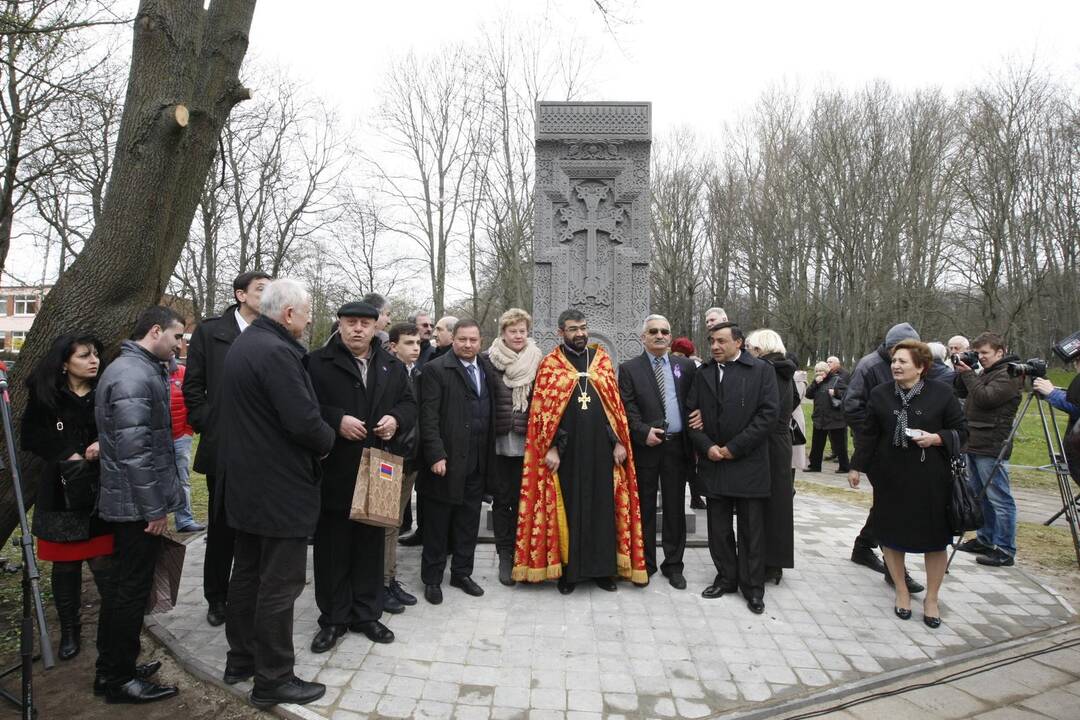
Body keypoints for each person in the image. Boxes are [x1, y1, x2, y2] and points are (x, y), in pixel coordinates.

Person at [218, 279, 336, 709]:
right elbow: (304, 422)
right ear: (288, 314)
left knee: (247, 574)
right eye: (306, 313)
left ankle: (241, 659)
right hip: (279, 488)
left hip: (248, 485)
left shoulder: (246, 345)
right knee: (279, 584)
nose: (308, 320)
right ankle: (273, 678)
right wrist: (328, 441)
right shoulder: (278, 352)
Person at [305, 302, 417, 653]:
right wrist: (336, 419)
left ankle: (367, 613)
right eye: (351, 322)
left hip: (379, 466)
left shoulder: (391, 365)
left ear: (375, 327)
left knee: (370, 544)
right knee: (333, 546)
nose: (357, 329)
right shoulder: (316, 362)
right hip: (335, 467)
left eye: (364, 324)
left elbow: (410, 404)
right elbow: (304, 406)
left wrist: (396, 419)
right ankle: (334, 618)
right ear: (339, 324)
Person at [513, 309, 648, 593]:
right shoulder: (551, 364)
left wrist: (619, 442)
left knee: (602, 507)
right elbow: (544, 414)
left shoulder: (601, 361)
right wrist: (551, 447)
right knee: (569, 509)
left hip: (601, 450)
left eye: (583, 328)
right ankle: (569, 573)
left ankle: (602, 571)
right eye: (573, 329)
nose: (580, 333)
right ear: (561, 333)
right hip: (566, 453)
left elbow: (614, 409)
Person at [96, 306, 186, 703]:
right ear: (155, 331)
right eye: (177, 336)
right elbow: (135, 451)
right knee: (129, 591)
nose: (180, 344)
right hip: (134, 505)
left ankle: (117, 664)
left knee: (125, 588)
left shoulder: (139, 368)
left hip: (132, 500)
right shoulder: (133, 374)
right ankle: (117, 679)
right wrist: (153, 508)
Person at [848, 339, 967, 628]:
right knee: (891, 536)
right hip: (890, 477)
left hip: (931, 479)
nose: (896, 366)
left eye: (903, 361)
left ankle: (932, 598)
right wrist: (856, 466)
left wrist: (937, 438)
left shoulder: (941, 393)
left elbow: (962, 431)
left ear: (921, 367)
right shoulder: (880, 394)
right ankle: (901, 590)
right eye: (894, 361)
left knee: (934, 541)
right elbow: (868, 434)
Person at [183, 269, 271, 627]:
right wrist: (212, 422)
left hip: (264, 449)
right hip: (224, 445)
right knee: (221, 528)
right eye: (260, 289)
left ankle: (249, 593)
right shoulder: (210, 332)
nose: (267, 296)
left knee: (257, 526)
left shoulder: (272, 330)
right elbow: (193, 387)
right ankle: (216, 597)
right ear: (240, 295)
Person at [22, 335, 113, 663]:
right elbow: (31, 436)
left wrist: (104, 443)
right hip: (60, 490)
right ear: (64, 362)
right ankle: (70, 631)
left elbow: (123, 427)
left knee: (106, 564)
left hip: (100, 489)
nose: (94, 360)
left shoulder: (105, 390)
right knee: (65, 566)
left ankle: (115, 631)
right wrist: (67, 454)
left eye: (96, 354)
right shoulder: (47, 395)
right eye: (84, 356)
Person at [843, 322, 943, 595]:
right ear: (890, 349)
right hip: (877, 447)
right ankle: (893, 570)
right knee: (891, 504)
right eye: (898, 353)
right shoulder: (869, 366)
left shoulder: (913, 368)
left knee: (889, 503)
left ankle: (864, 546)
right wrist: (878, 432)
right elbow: (852, 406)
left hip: (908, 449)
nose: (900, 361)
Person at [686, 321, 778, 614]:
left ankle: (753, 588)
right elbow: (692, 413)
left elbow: (768, 415)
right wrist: (707, 445)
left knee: (751, 528)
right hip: (714, 461)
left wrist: (733, 448)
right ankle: (726, 577)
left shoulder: (762, 371)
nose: (714, 346)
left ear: (738, 343)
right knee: (718, 527)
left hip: (748, 462)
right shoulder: (703, 374)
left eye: (721, 341)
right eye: (712, 341)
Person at [417, 319, 496, 604]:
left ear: (481, 341)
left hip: (476, 461)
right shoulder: (436, 369)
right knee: (438, 524)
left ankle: (462, 572)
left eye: (473, 340)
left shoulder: (485, 368)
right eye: (462, 339)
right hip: (446, 462)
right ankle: (432, 578)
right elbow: (428, 417)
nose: (467, 345)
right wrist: (436, 454)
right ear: (453, 339)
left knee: (467, 521)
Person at [618, 314, 696, 588]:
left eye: (665, 331)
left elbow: (694, 402)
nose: (660, 335)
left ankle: (673, 565)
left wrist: (698, 419)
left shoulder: (685, 366)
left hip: (677, 448)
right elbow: (626, 407)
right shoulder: (629, 368)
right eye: (653, 331)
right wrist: (642, 432)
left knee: (675, 508)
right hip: (647, 449)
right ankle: (646, 563)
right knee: (646, 508)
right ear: (644, 337)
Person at [953, 332, 1023, 567]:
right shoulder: (987, 372)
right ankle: (985, 539)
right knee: (979, 496)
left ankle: (1005, 549)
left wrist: (969, 375)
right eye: (978, 353)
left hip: (993, 444)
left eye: (985, 353)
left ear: (999, 352)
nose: (980, 357)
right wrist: (962, 372)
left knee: (1000, 499)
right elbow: (963, 393)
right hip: (975, 440)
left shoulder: (1009, 374)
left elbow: (985, 398)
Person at [484, 308, 543, 586]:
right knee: (503, 500)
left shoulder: (538, 360)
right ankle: (505, 554)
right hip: (498, 443)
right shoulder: (489, 361)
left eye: (522, 330)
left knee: (526, 502)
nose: (518, 335)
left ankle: (525, 554)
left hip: (528, 444)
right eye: (512, 331)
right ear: (503, 333)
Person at [745, 329, 796, 586]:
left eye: (750, 349)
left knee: (765, 503)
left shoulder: (768, 372)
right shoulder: (785, 370)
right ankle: (775, 561)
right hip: (780, 441)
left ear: (760, 349)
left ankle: (767, 562)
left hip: (767, 442)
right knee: (779, 503)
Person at [384, 322, 423, 606]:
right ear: (393, 345)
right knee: (386, 524)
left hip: (410, 460)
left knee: (395, 521)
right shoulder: (387, 374)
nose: (416, 348)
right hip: (389, 457)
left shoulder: (417, 373)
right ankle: (384, 582)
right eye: (409, 343)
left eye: (418, 343)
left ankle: (388, 578)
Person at [167, 355, 202, 533]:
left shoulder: (182, 372)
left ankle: (184, 520)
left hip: (181, 435)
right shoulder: (148, 371)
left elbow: (192, 399)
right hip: (157, 438)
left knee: (182, 479)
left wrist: (188, 430)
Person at [806, 361, 850, 472]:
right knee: (817, 444)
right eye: (817, 371)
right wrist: (815, 383)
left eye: (821, 371)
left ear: (827, 371)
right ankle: (815, 466)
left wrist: (835, 392)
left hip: (835, 418)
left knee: (839, 444)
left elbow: (847, 393)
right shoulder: (817, 382)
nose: (819, 373)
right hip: (819, 418)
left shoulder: (837, 379)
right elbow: (808, 395)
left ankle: (844, 467)